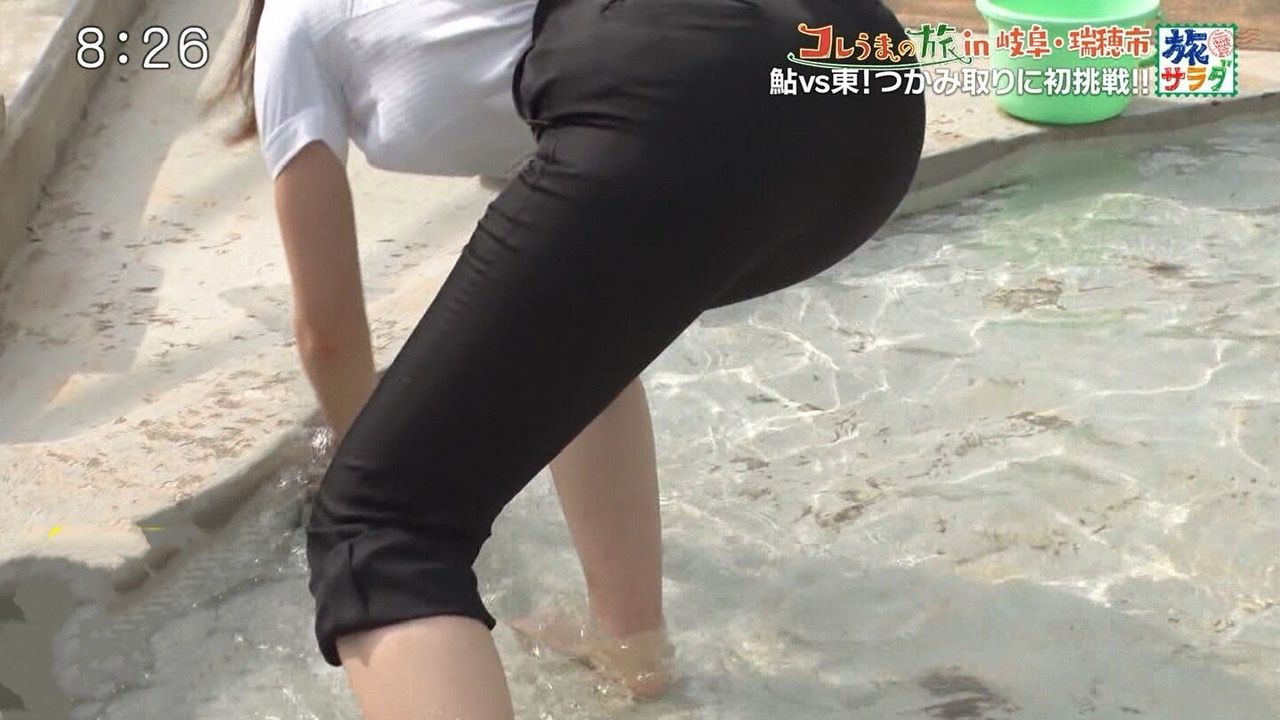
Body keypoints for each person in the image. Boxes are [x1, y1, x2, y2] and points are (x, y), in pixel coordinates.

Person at [206, 0, 926, 715]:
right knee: (577, 335)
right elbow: (568, 327)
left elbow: (328, 333)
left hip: (686, 87)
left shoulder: (292, 26)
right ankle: (633, 647)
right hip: (868, 95)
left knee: (380, 531)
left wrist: (371, 462)